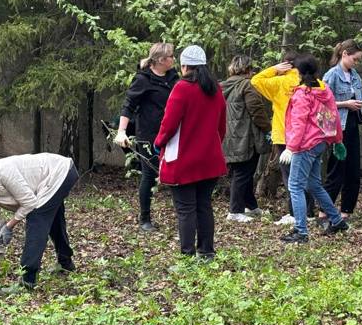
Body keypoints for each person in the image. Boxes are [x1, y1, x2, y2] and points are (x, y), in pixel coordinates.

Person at [0, 153, 78, 289]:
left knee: (37, 217)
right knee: (51, 216)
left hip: (60, 171)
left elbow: (30, 203)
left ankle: (27, 280)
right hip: (47, 182)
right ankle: (65, 263)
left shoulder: (2, 172)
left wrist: (9, 225)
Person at [155, 45, 227, 260]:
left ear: (184, 65)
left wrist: (159, 143)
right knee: (204, 205)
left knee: (186, 209)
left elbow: (169, 123)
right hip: (210, 158)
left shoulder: (182, 88)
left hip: (184, 159)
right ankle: (207, 251)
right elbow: (222, 126)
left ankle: (187, 255)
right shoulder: (215, 88)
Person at [279, 54, 350, 243]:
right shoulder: (324, 89)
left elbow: (299, 123)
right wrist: (337, 140)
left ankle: (301, 231)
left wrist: (291, 147)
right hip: (320, 143)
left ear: (298, 72)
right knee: (314, 184)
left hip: (305, 144)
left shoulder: (303, 94)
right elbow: (333, 115)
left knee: (295, 186)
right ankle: (336, 220)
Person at [114, 43, 179, 232]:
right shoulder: (143, 79)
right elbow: (129, 105)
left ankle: (183, 214)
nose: (174, 60)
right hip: (149, 136)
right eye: (171, 57)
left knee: (176, 174)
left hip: (172, 134)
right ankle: (145, 218)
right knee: (149, 176)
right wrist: (121, 131)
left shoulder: (173, 78)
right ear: (160, 60)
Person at [250, 51, 315, 222]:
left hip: (284, 135)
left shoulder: (279, 82)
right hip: (308, 136)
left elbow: (256, 80)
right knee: (306, 174)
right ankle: (309, 211)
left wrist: (273, 69)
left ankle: (295, 213)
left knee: (289, 177)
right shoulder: (310, 82)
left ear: (285, 64)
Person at [221, 55, 271, 222]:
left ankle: (251, 205)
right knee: (243, 173)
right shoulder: (247, 85)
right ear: (248, 69)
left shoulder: (222, 86)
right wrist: (268, 128)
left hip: (228, 136)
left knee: (242, 172)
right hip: (246, 137)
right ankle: (235, 211)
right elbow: (256, 110)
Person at [322, 39, 362, 221]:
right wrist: (345, 104)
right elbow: (323, 101)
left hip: (353, 124)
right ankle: (325, 210)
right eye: (355, 59)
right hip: (337, 127)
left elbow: (361, 97)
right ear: (344, 54)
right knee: (336, 168)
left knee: (353, 169)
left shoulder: (355, 76)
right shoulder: (331, 75)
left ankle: (346, 210)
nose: (356, 63)